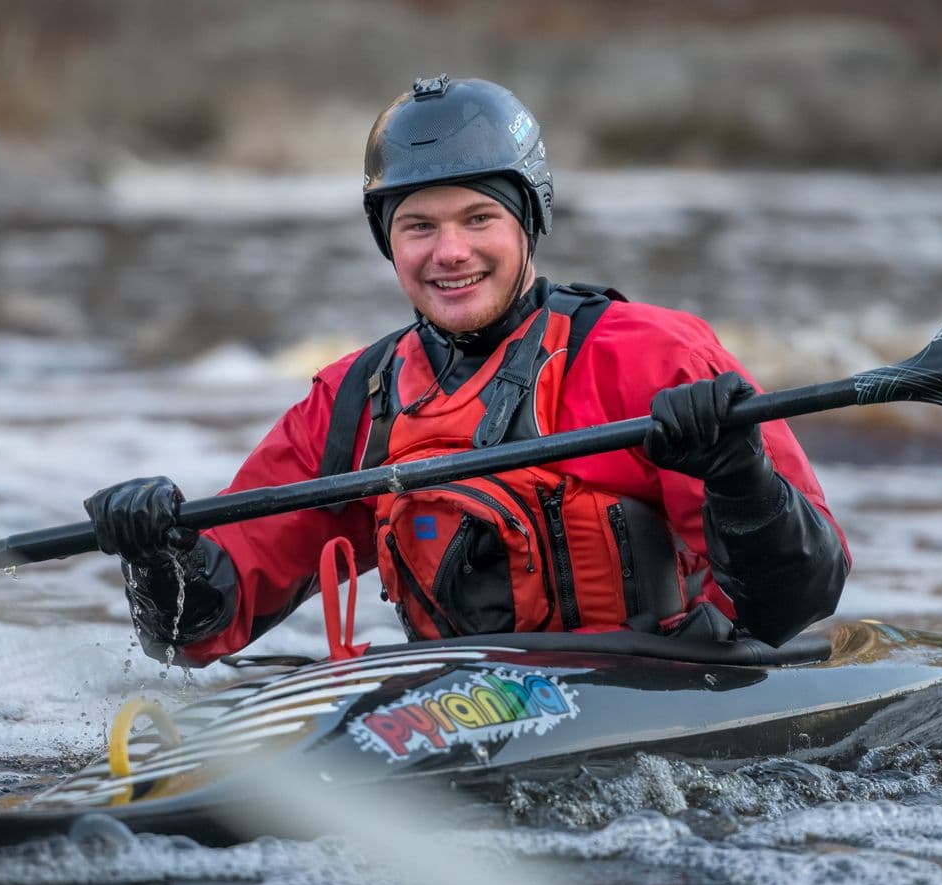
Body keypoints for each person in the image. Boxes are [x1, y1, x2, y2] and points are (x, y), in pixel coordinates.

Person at [85, 74, 849, 667]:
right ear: (391, 244)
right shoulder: (355, 399)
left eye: (478, 219)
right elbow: (200, 626)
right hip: (452, 711)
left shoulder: (656, 356)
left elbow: (794, 602)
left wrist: (736, 473)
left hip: (657, 693)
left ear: (528, 223)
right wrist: (160, 552)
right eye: (418, 226)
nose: (448, 252)